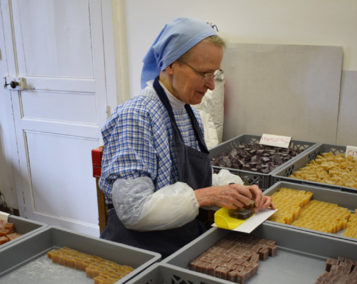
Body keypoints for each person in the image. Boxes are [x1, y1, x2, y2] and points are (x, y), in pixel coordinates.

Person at [99, 17, 275, 258]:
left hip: (181, 242)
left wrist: (236, 190)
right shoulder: (136, 116)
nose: (211, 85)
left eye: (215, 73)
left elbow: (190, 180)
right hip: (140, 253)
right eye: (203, 73)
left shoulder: (189, 112)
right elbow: (133, 210)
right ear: (171, 64)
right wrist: (209, 195)